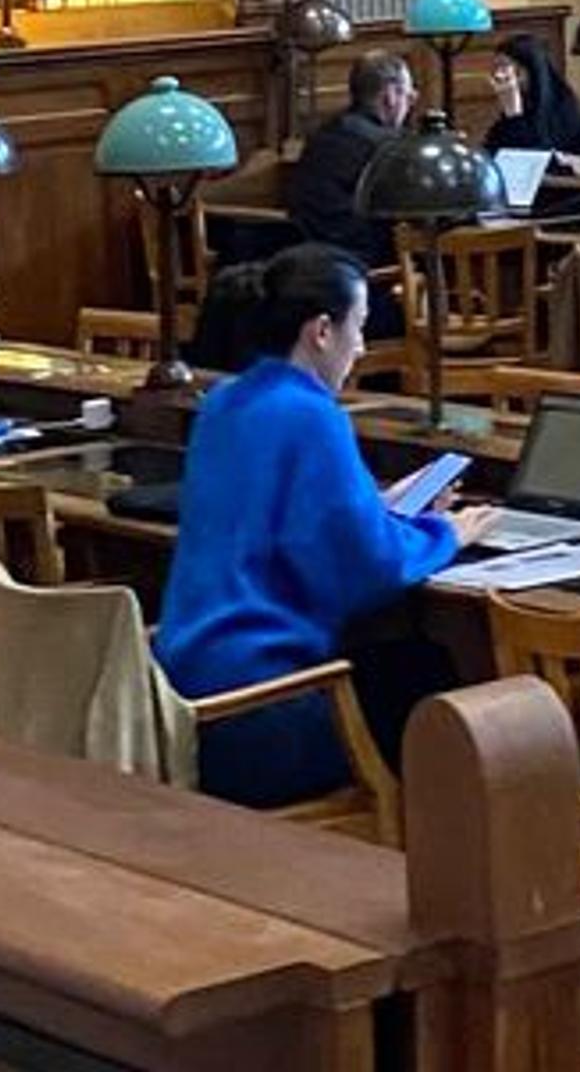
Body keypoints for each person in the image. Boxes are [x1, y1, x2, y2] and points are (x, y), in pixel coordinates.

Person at [156, 245, 496, 805]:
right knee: (448, 696)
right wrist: (448, 534)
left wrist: (375, 503)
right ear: (320, 331)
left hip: (184, 690)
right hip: (260, 712)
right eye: (357, 328)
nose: (361, 349)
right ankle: (447, 872)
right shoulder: (312, 414)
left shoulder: (224, 401)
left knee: (410, 664)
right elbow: (369, 566)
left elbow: (276, 514)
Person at [285, 50, 416, 260]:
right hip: (366, 264)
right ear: (390, 96)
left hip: (311, 259)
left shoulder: (325, 132)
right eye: (409, 95)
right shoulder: (388, 146)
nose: (411, 104)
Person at [485, 34, 580, 168]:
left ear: (530, 69)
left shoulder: (563, 106)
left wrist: (514, 115)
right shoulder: (516, 105)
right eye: (496, 68)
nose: (498, 76)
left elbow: (534, 161)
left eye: (505, 67)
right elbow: (495, 154)